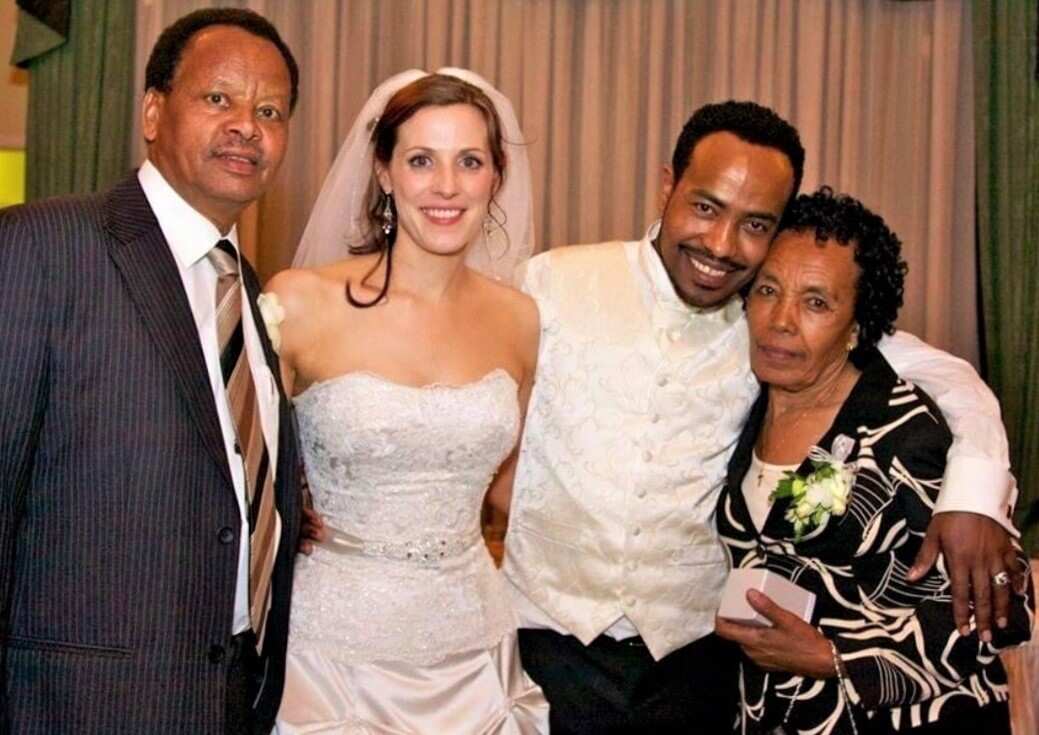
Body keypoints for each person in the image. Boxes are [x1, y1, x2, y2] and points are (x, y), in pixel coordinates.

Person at [504, 101, 1021, 733]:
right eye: (704, 207)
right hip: (550, 651)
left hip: (701, 668)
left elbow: (947, 375)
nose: (721, 245)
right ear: (667, 186)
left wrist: (975, 487)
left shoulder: (773, 324)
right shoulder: (553, 283)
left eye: (755, 223)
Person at [0, 9, 303, 734]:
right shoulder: (46, 246)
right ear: (152, 111)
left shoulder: (251, 296)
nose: (246, 126)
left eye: (269, 110)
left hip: (231, 696)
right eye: (217, 99)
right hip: (75, 707)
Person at [264, 69, 549, 733]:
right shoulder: (301, 302)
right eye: (421, 160)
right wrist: (281, 505)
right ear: (385, 172)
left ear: (495, 178)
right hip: (331, 657)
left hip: (474, 650)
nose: (446, 187)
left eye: (469, 162)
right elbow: (235, 464)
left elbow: (517, 490)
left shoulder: (519, 319)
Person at [714, 187, 1034, 734]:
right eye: (768, 290)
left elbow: (1001, 612)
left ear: (859, 326)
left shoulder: (905, 431)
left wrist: (834, 658)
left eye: (816, 302)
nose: (782, 320)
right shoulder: (746, 405)